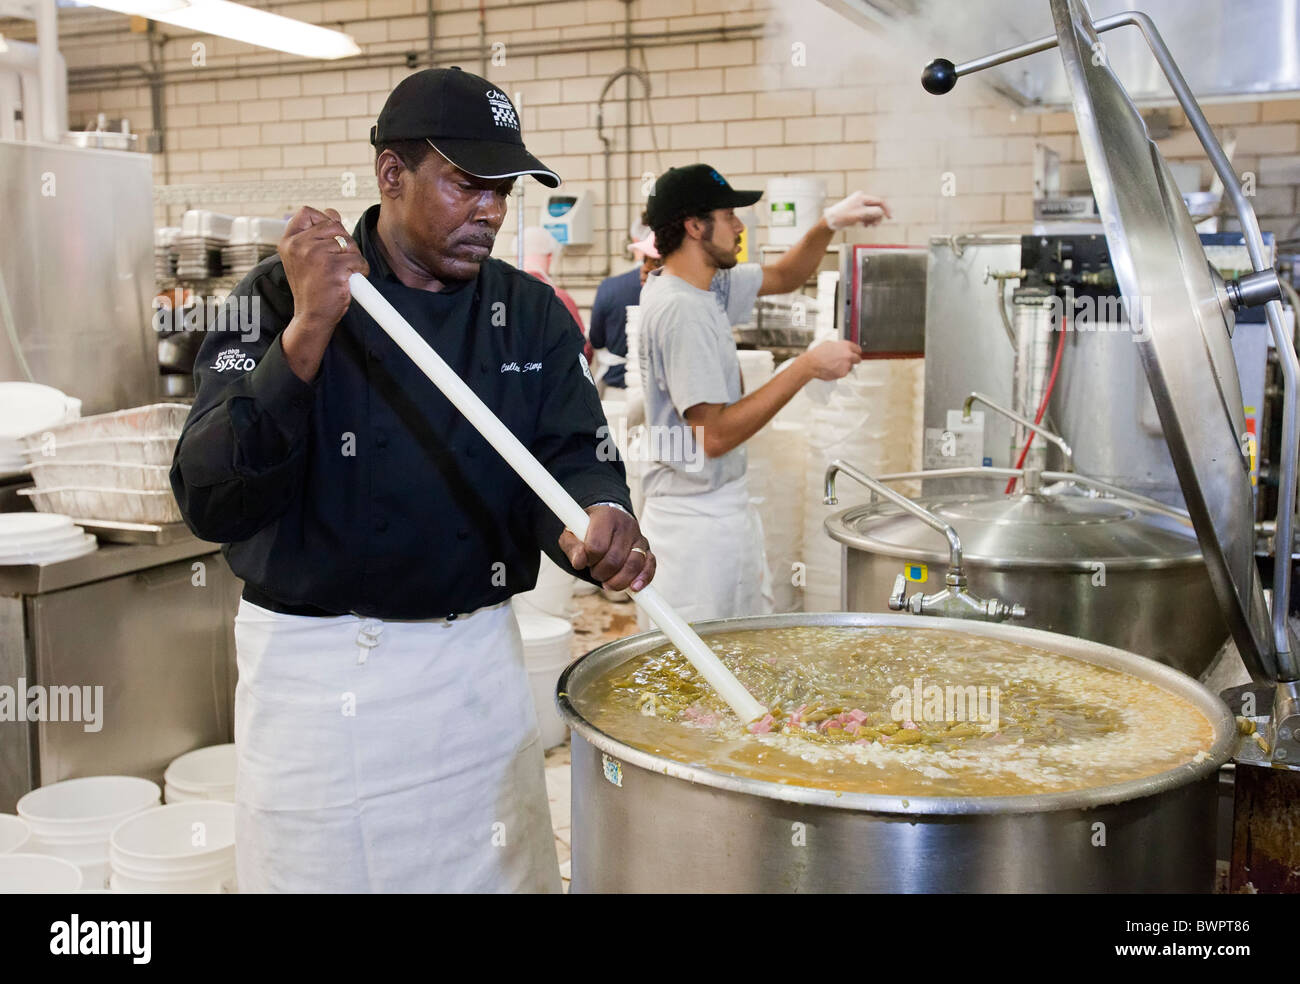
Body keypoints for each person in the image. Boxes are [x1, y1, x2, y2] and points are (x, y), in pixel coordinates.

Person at [170, 67, 655, 893]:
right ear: (392, 175)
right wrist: (308, 332)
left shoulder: (529, 312)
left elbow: (572, 452)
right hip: (321, 682)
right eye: (468, 185)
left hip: (471, 675)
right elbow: (210, 496)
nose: (493, 211)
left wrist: (596, 513)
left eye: (504, 190)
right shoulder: (279, 298)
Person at [637, 163, 889, 624]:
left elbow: (786, 276)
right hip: (694, 530)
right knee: (697, 676)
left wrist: (828, 222)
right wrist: (805, 367)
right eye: (730, 215)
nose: (739, 226)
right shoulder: (680, 310)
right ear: (695, 226)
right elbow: (712, 436)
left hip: (720, 513)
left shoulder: (708, 286)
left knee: (732, 660)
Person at [588, 228, 660, 393]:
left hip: (619, 388)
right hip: (651, 392)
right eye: (646, 261)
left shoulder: (610, 287)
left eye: (655, 262)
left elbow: (596, 340)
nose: (646, 269)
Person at [519, 225, 592, 364]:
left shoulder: (501, 297)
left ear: (518, 255)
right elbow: (582, 351)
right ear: (550, 257)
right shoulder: (558, 297)